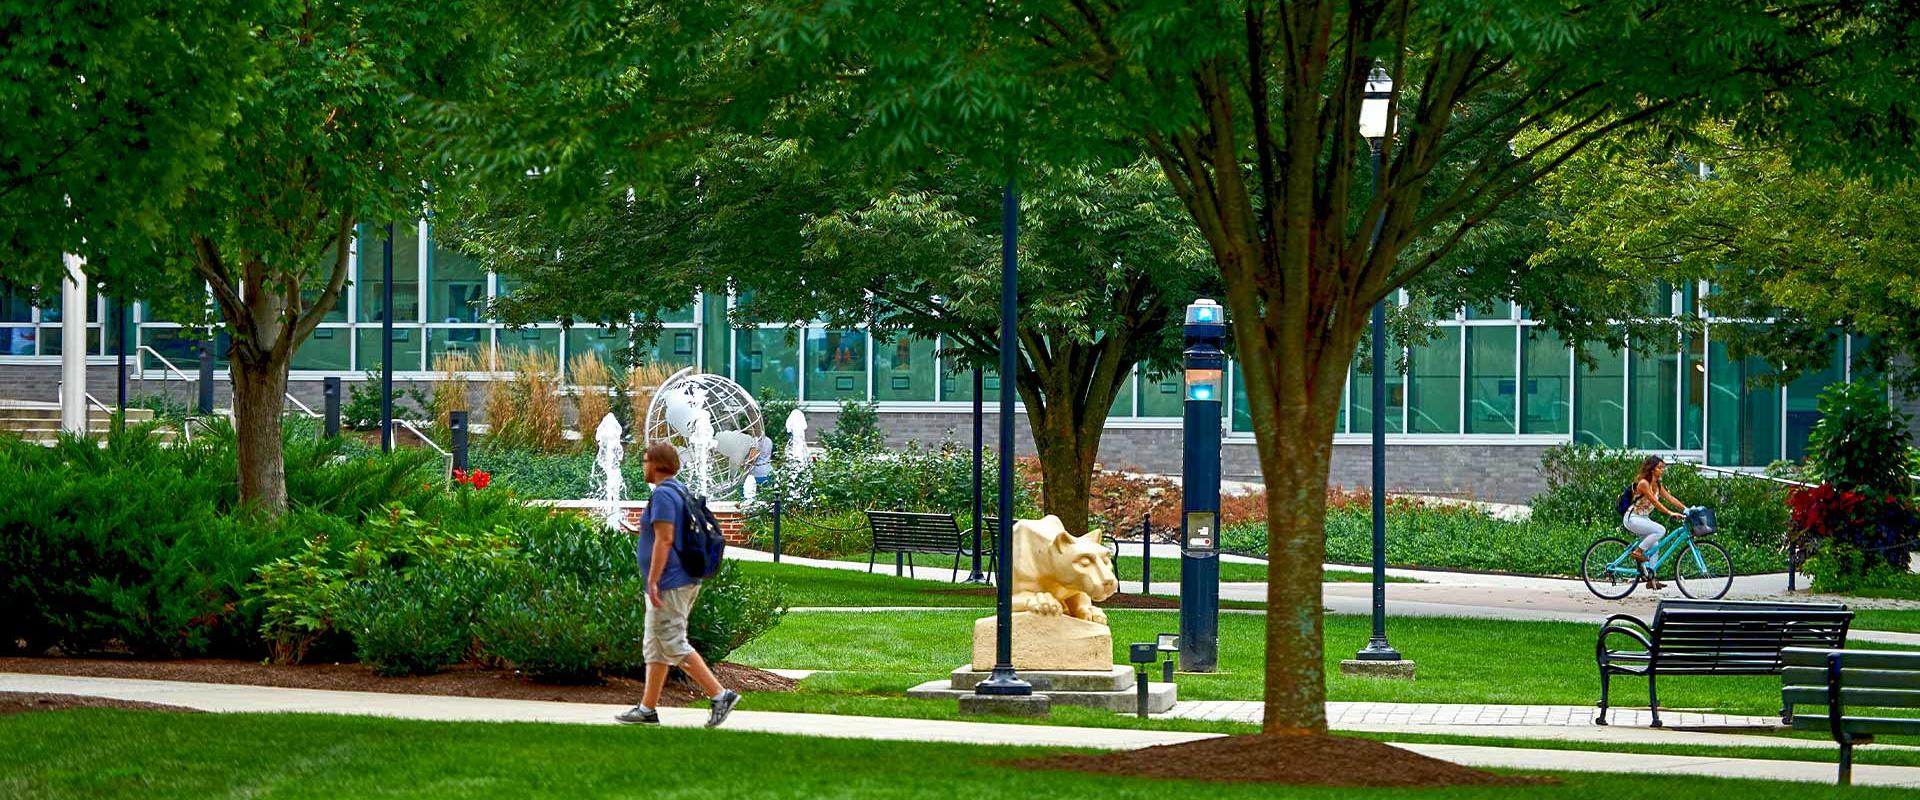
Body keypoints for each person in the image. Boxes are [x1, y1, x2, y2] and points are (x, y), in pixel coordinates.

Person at [615, 442, 741, 727]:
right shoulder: (678, 490)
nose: (643, 466)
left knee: (672, 641)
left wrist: (653, 579)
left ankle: (720, 694)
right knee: (656, 646)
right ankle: (647, 709)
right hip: (679, 578)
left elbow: (666, 539)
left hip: (670, 581)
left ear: (657, 464)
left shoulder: (662, 494)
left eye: (645, 461)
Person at [1623, 455, 1690, 590]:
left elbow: (1670, 498)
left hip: (1643, 518)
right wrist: (1670, 513)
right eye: (1660, 468)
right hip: (1633, 518)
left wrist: (1686, 509)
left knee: (1655, 544)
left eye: (1663, 468)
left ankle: (1651, 578)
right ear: (1652, 469)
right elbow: (1654, 501)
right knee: (1660, 530)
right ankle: (1637, 552)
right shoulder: (1644, 483)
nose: (1662, 470)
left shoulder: (1658, 484)